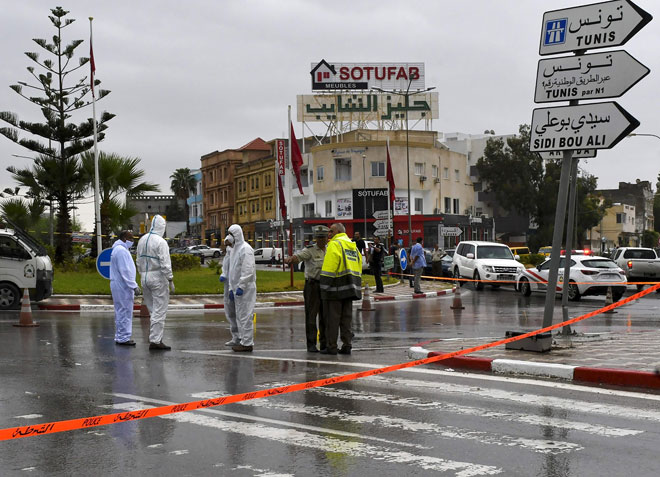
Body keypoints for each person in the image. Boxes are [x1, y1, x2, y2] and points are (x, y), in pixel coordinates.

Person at [284, 225, 329, 352]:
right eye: (319, 238)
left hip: (325, 286)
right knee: (311, 316)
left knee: (325, 316)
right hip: (312, 286)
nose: (321, 240)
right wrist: (291, 259)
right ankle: (311, 344)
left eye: (323, 237)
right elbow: (299, 257)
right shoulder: (310, 250)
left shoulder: (330, 250)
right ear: (315, 238)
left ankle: (324, 344)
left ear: (327, 238)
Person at [320, 223, 362, 355]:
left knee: (332, 319)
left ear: (338, 231)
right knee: (346, 319)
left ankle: (331, 347)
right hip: (350, 287)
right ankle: (347, 345)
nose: (329, 234)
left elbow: (330, 267)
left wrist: (323, 286)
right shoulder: (352, 246)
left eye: (331, 231)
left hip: (335, 287)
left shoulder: (335, 244)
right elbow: (359, 265)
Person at [136, 215, 175, 351]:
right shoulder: (161, 242)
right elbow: (165, 263)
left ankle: (154, 337)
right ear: (162, 227)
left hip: (144, 277)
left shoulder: (142, 240)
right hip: (158, 277)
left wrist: (142, 274)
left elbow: (138, 260)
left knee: (152, 309)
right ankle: (156, 340)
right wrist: (170, 279)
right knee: (160, 309)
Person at [224, 224, 256, 352]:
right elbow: (232, 271)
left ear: (236, 235)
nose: (229, 237)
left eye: (231, 234)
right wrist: (231, 288)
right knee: (239, 315)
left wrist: (241, 286)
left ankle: (247, 343)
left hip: (246, 288)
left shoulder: (245, 249)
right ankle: (243, 340)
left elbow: (248, 270)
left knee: (245, 315)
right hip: (237, 288)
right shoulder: (234, 250)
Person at [110, 230, 140, 346]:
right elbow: (125, 271)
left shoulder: (119, 249)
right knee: (125, 311)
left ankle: (121, 336)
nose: (132, 241)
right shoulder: (121, 251)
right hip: (123, 285)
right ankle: (123, 338)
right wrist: (134, 286)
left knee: (121, 311)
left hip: (120, 284)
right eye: (130, 239)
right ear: (124, 238)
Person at [219, 234, 238, 346]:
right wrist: (223, 274)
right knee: (230, 312)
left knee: (238, 312)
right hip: (228, 286)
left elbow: (235, 272)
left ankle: (243, 338)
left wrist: (232, 287)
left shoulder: (237, 253)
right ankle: (235, 336)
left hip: (236, 286)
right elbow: (225, 268)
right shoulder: (228, 255)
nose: (227, 247)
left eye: (228, 244)